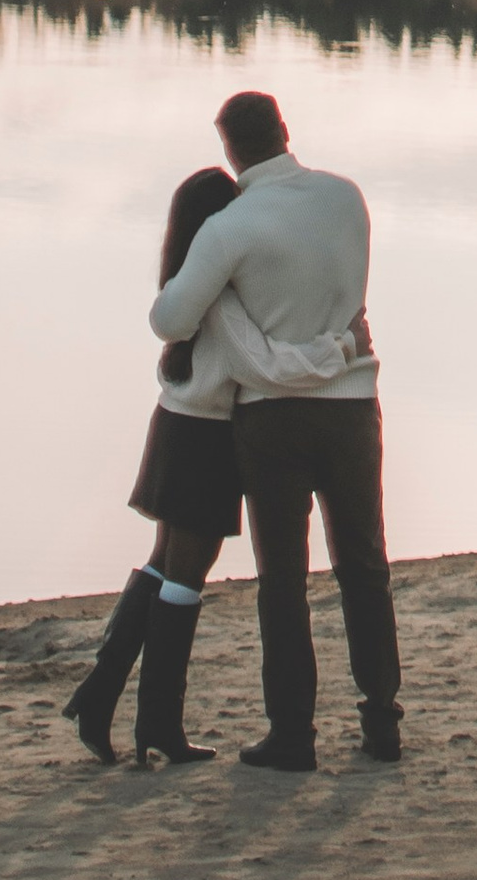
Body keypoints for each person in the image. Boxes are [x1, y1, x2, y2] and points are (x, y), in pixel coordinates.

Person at [64, 163, 361, 769]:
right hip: (203, 443)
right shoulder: (221, 305)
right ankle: (158, 726)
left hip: (176, 429)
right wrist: (346, 345)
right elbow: (269, 367)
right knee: (182, 581)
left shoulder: (187, 290)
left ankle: (99, 700)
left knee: (162, 564)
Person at [149, 87, 400, 774]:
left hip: (272, 420)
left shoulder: (230, 228)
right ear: (285, 130)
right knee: (365, 566)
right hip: (352, 405)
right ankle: (382, 717)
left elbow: (170, 319)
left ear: (228, 151)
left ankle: (293, 734)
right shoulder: (346, 198)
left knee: (283, 580)